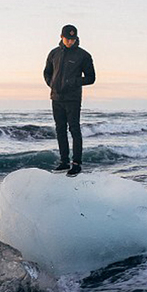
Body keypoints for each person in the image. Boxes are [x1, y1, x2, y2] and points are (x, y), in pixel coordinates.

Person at [43, 24, 96, 177]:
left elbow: (91, 78)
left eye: (73, 39)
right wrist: (51, 84)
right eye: (68, 39)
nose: (70, 42)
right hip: (56, 98)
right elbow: (47, 72)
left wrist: (73, 82)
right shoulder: (54, 54)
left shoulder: (83, 55)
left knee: (74, 129)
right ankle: (64, 161)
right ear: (61, 37)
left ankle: (76, 163)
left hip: (72, 99)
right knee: (60, 129)